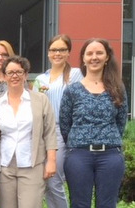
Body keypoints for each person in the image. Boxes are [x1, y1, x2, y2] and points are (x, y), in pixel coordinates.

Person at [59, 38, 127, 208]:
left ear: (107, 58)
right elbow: (65, 124)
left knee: (107, 204)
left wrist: (108, 139)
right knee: (79, 204)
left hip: (110, 155)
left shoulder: (117, 88)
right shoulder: (72, 90)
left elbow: (121, 122)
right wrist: (79, 142)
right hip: (79, 156)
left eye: (99, 53)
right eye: (89, 53)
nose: (94, 57)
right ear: (83, 58)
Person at [0, 56, 57, 208]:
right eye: (10, 72)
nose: (15, 76)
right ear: (4, 76)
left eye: (19, 72)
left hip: (32, 164)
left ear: (25, 75)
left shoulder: (40, 100)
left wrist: (51, 161)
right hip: (5, 166)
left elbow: (50, 132)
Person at [32, 34, 83, 208]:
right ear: (48, 53)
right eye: (54, 50)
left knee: (54, 180)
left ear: (69, 53)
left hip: (62, 131)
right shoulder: (40, 79)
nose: (57, 53)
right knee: (44, 181)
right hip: (41, 134)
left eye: (62, 50)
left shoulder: (76, 75)